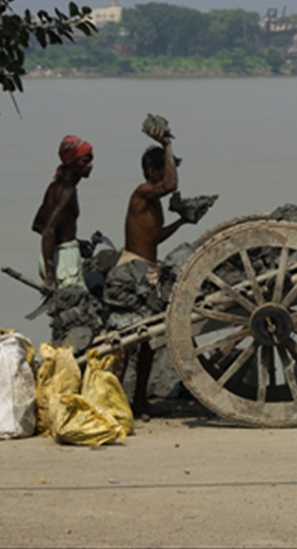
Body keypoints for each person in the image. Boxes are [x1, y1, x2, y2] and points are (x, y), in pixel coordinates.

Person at [119, 127, 191, 417]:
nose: (168, 175)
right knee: (126, 341)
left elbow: (155, 237)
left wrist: (182, 222)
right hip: (134, 269)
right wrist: (168, 144)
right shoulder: (142, 192)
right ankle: (117, 398)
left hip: (148, 268)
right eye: (164, 169)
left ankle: (139, 400)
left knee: (148, 342)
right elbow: (171, 185)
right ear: (152, 171)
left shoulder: (153, 201)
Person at [32, 135, 94, 291]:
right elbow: (48, 231)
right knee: (77, 304)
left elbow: (38, 225)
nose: (90, 166)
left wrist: (74, 241)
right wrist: (50, 277)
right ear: (72, 163)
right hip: (65, 263)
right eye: (85, 161)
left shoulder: (53, 187)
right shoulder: (68, 191)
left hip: (51, 258)